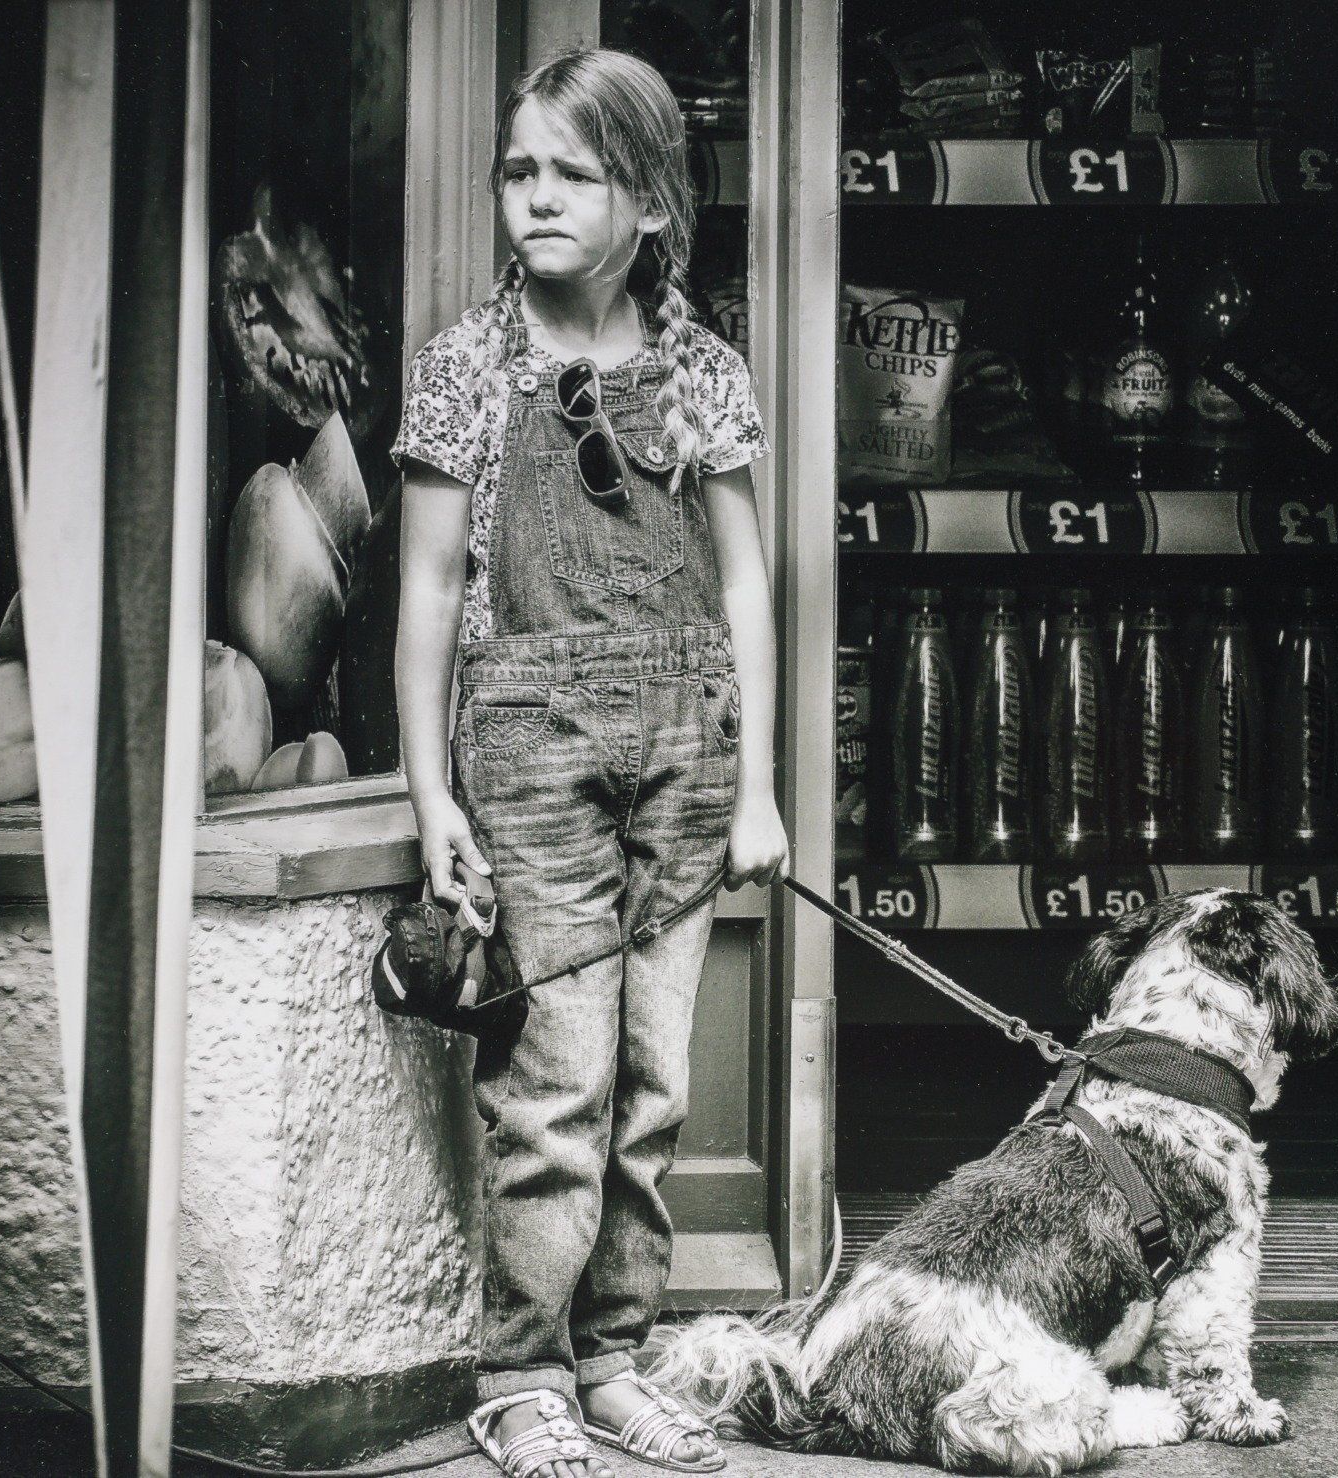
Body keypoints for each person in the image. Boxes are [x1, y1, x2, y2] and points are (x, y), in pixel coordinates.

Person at [391, 48, 787, 1478]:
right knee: (554, 1082)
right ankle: (522, 1373)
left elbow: (747, 587)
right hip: (531, 755)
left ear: (654, 205)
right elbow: (431, 594)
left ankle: (613, 1355)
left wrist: (757, 789)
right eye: (519, 169)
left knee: (656, 1084)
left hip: (687, 750)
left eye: (572, 171)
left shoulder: (697, 372)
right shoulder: (467, 368)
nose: (535, 197)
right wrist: (433, 798)